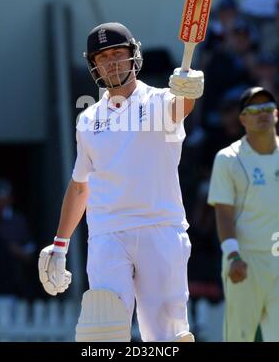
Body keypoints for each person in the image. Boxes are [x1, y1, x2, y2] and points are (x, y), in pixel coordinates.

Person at [38, 22, 204, 342]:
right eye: (103, 57)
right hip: (107, 233)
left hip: (161, 227)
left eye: (118, 53)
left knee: (166, 336)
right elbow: (79, 185)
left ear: (134, 56)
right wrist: (60, 244)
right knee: (102, 331)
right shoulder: (87, 120)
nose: (111, 62)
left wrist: (188, 91)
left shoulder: (160, 101)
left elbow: (180, 107)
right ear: (93, 65)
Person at [208, 86, 279, 342]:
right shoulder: (228, 159)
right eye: (255, 109)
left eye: (268, 108)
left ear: (276, 114)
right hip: (244, 261)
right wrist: (233, 255)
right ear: (242, 119)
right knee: (240, 336)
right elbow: (224, 214)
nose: (263, 114)